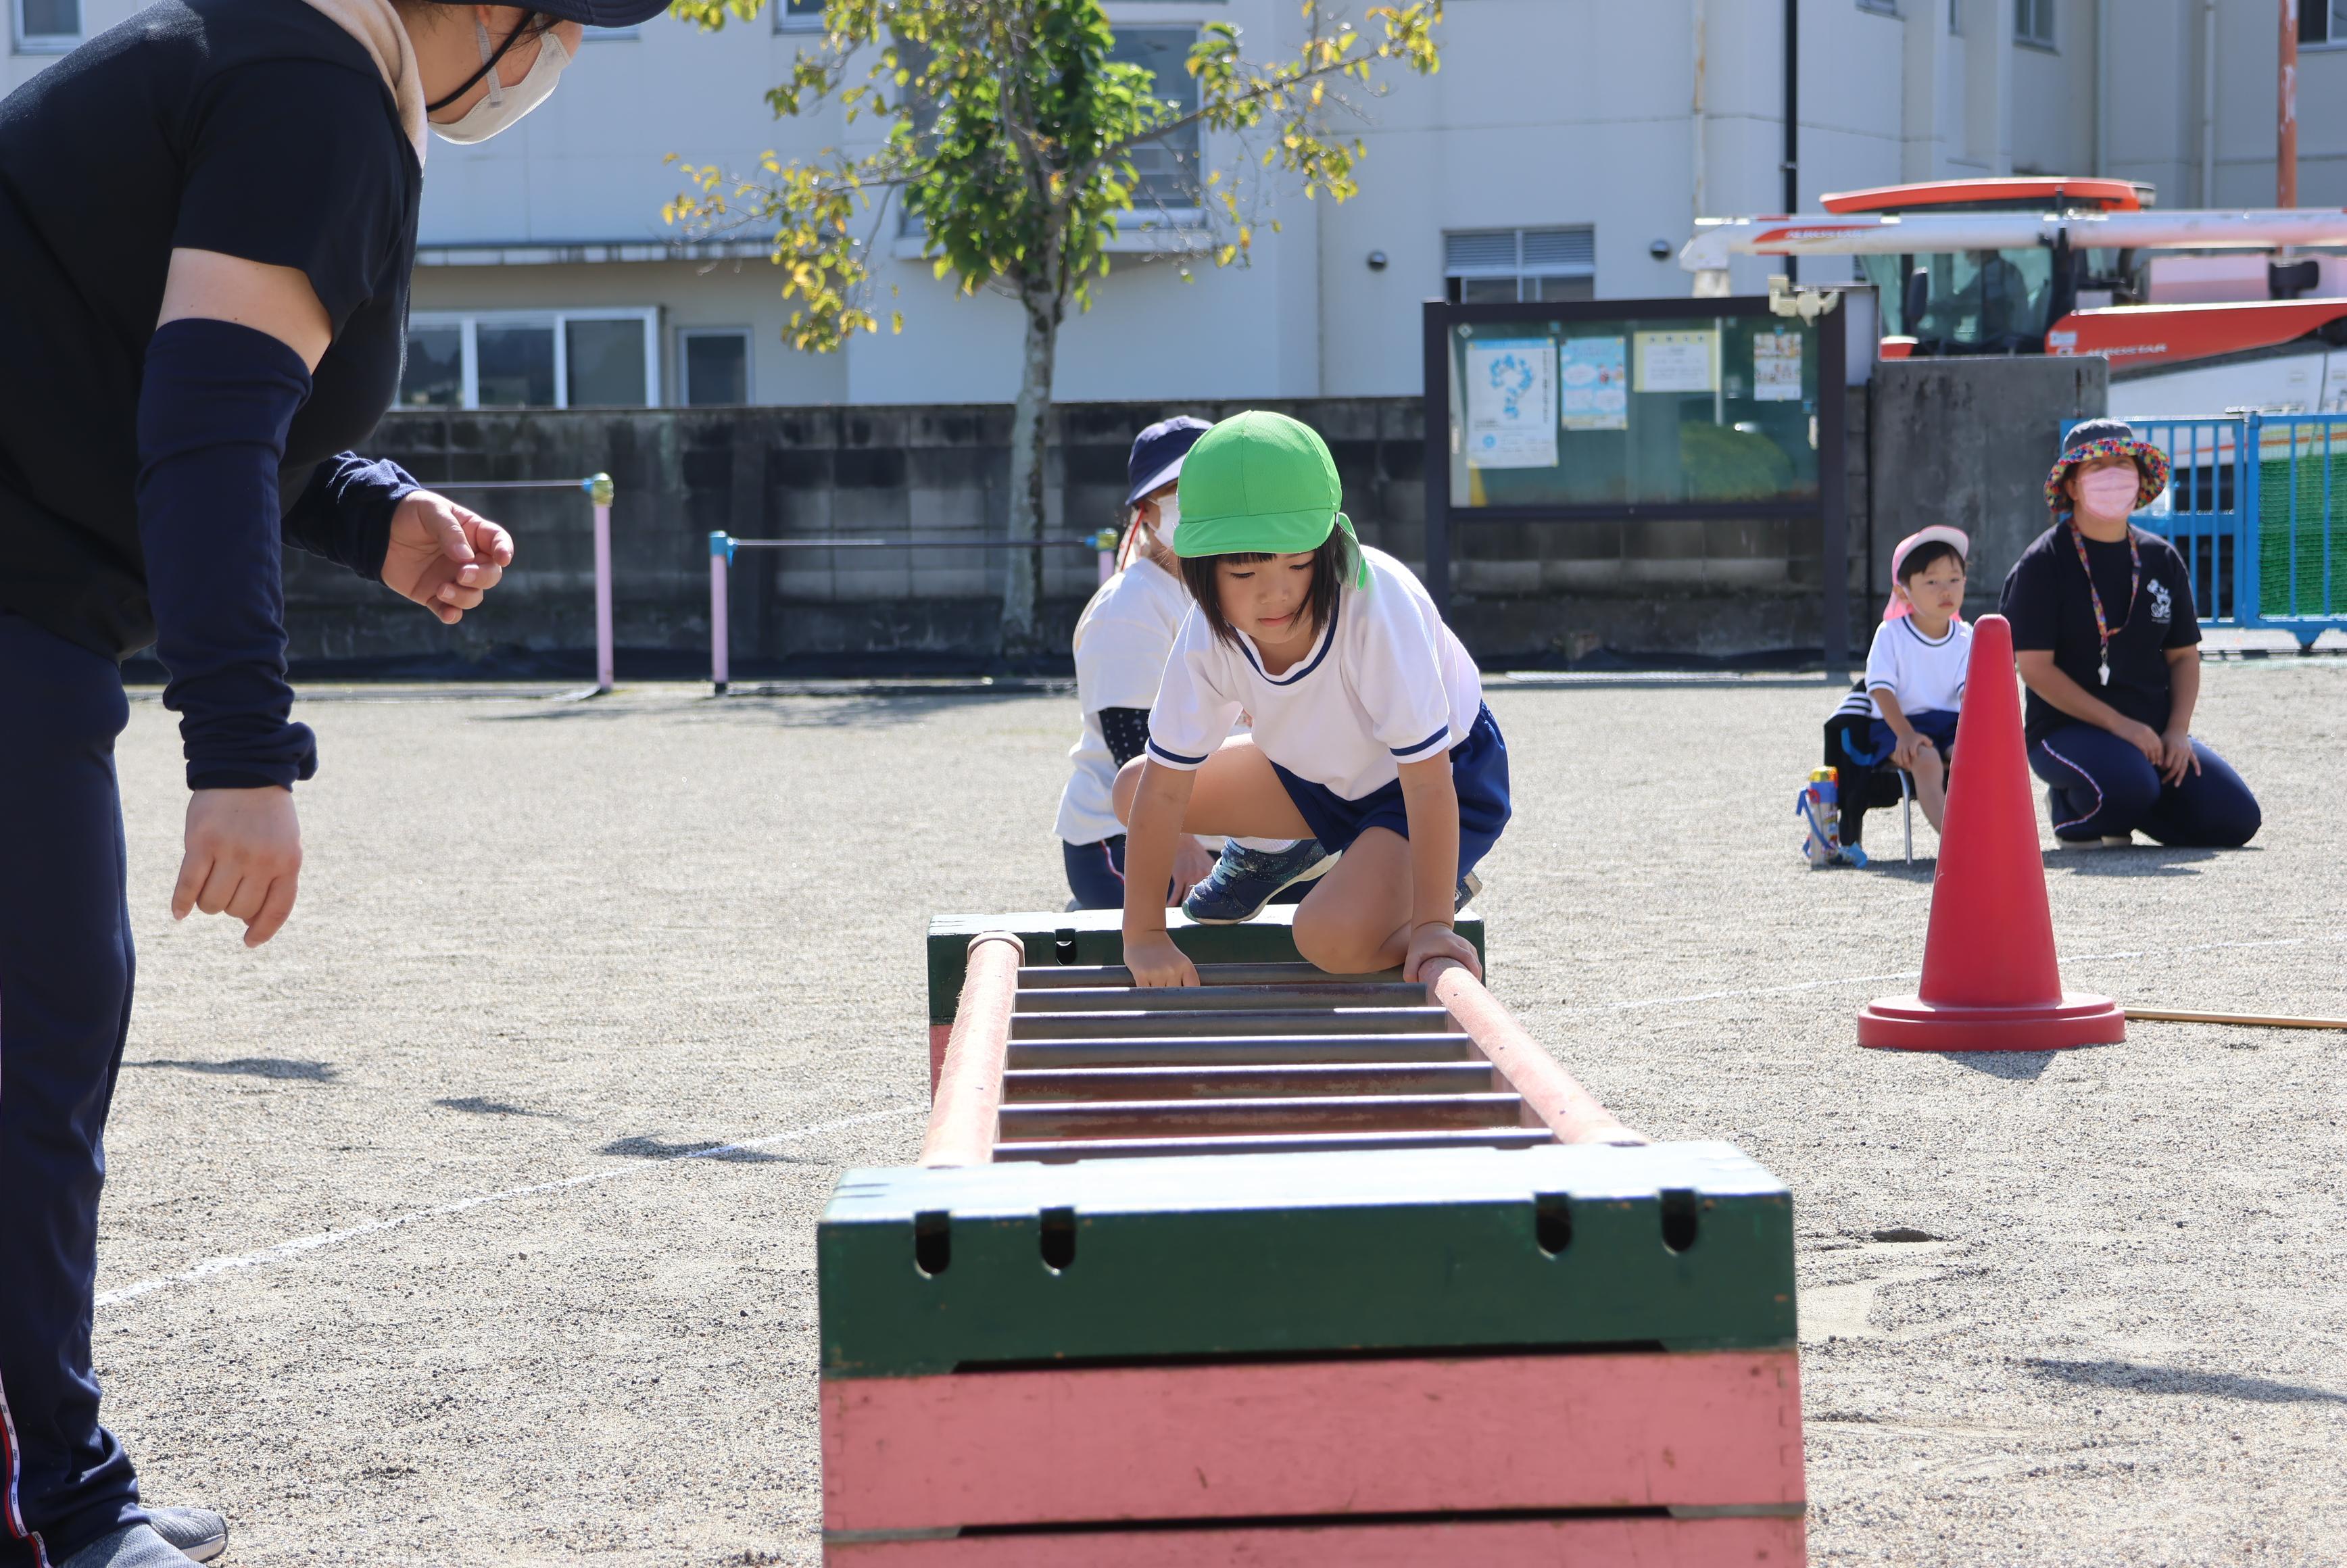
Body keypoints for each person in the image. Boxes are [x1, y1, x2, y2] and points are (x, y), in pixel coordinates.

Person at [0, 0, 662, 1562]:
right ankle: (66, 1510)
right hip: (18, 603)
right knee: (37, 1041)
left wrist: (368, 511)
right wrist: (241, 753)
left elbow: (126, 359)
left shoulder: (268, 53)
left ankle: (58, 1485)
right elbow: (208, 422)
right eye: (568, 23)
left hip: (33, 597)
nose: (558, 66)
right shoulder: (320, 91)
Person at [1110, 410, 1507, 985]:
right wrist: (1143, 935)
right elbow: (1166, 788)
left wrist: (1431, 927)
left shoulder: (1376, 604)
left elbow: (1426, 779)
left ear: (1327, 546)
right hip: (1317, 777)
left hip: (1439, 781)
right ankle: (1285, 851)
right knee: (1132, 787)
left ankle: (1431, 889)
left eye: (1298, 563)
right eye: (1244, 573)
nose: (1276, 594)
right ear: (1200, 571)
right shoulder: (1207, 631)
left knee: (1327, 937)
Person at [1055, 418, 1330, 916]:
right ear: (1145, 512)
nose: (1191, 505)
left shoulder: (1246, 585)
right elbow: (1129, 740)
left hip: (1234, 834)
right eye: (1174, 494)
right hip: (1126, 838)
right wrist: (1178, 845)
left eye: (1202, 488)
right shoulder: (1130, 604)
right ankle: (1094, 910)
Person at [2000, 419, 2261, 848]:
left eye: (2122, 463)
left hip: (2152, 733)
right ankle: (2072, 807)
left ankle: (2135, 795)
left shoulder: (2161, 557)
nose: (2112, 475)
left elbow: (2183, 657)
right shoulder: (2042, 563)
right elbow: (2035, 669)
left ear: (2140, 479)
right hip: (2066, 730)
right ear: (2071, 486)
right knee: (2130, 787)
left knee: (2236, 820)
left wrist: (2177, 729)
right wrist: (2120, 726)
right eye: (2095, 466)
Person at [1860, 526, 1973, 834]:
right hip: (1897, 725)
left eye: (1954, 579)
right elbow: (1879, 688)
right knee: (1926, 760)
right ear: (1902, 591)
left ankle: (1988, 836)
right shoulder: (1891, 634)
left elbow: (1970, 695)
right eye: (1931, 581)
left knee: (1974, 759)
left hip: (1950, 724)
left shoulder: (1967, 636)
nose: (1945, 590)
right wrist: (1906, 734)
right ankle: (1956, 842)